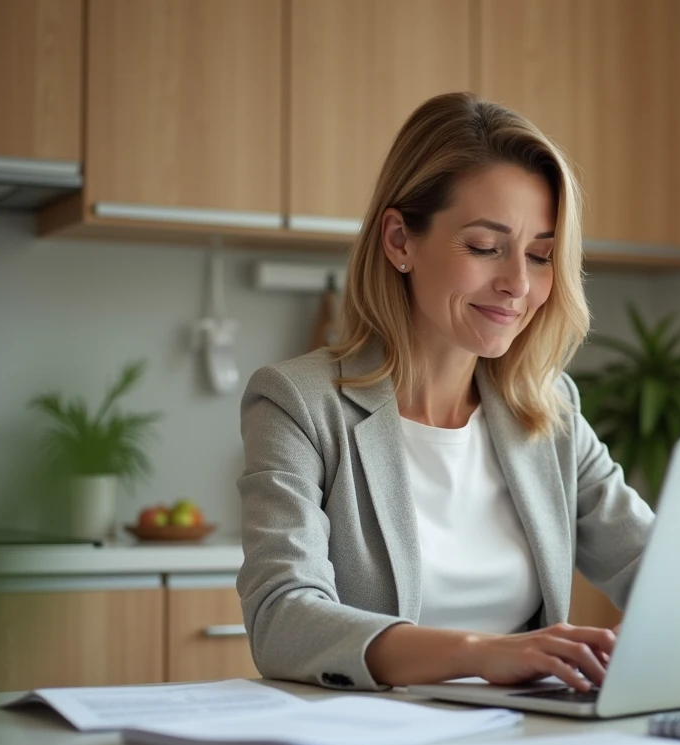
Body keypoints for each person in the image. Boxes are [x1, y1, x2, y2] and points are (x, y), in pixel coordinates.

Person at [237, 92, 653, 693]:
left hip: (524, 742)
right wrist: (483, 654)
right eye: (484, 248)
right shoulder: (297, 402)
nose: (517, 284)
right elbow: (283, 618)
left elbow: (656, 571)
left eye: (540, 256)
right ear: (400, 240)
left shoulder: (549, 407)